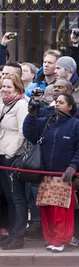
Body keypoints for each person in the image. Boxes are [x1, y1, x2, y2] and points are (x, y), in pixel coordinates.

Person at [23, 93, 79, 253]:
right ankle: (52, 238)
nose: (57, 104)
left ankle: (61, 240)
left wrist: (73, 166)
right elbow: (29, 133)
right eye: (56, 102)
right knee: (47, 211)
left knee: (61, 211)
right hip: (45, 175)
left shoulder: (77, 125)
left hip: (63, 176)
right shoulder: (46, 122)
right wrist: (31, 114)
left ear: (70, 106)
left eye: (61, 102)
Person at [0, 75, 30, 250]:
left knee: (16, 197)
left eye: (8, 86)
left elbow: (22, 132)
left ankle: (18, 236)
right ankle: (11, 234)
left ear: (17, 88)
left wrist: (10, 153)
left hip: (12, 155)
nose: (4, 89)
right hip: (1, 154)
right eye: (3, 86)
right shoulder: (3, 103)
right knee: (8, 197)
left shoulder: (21, 105)